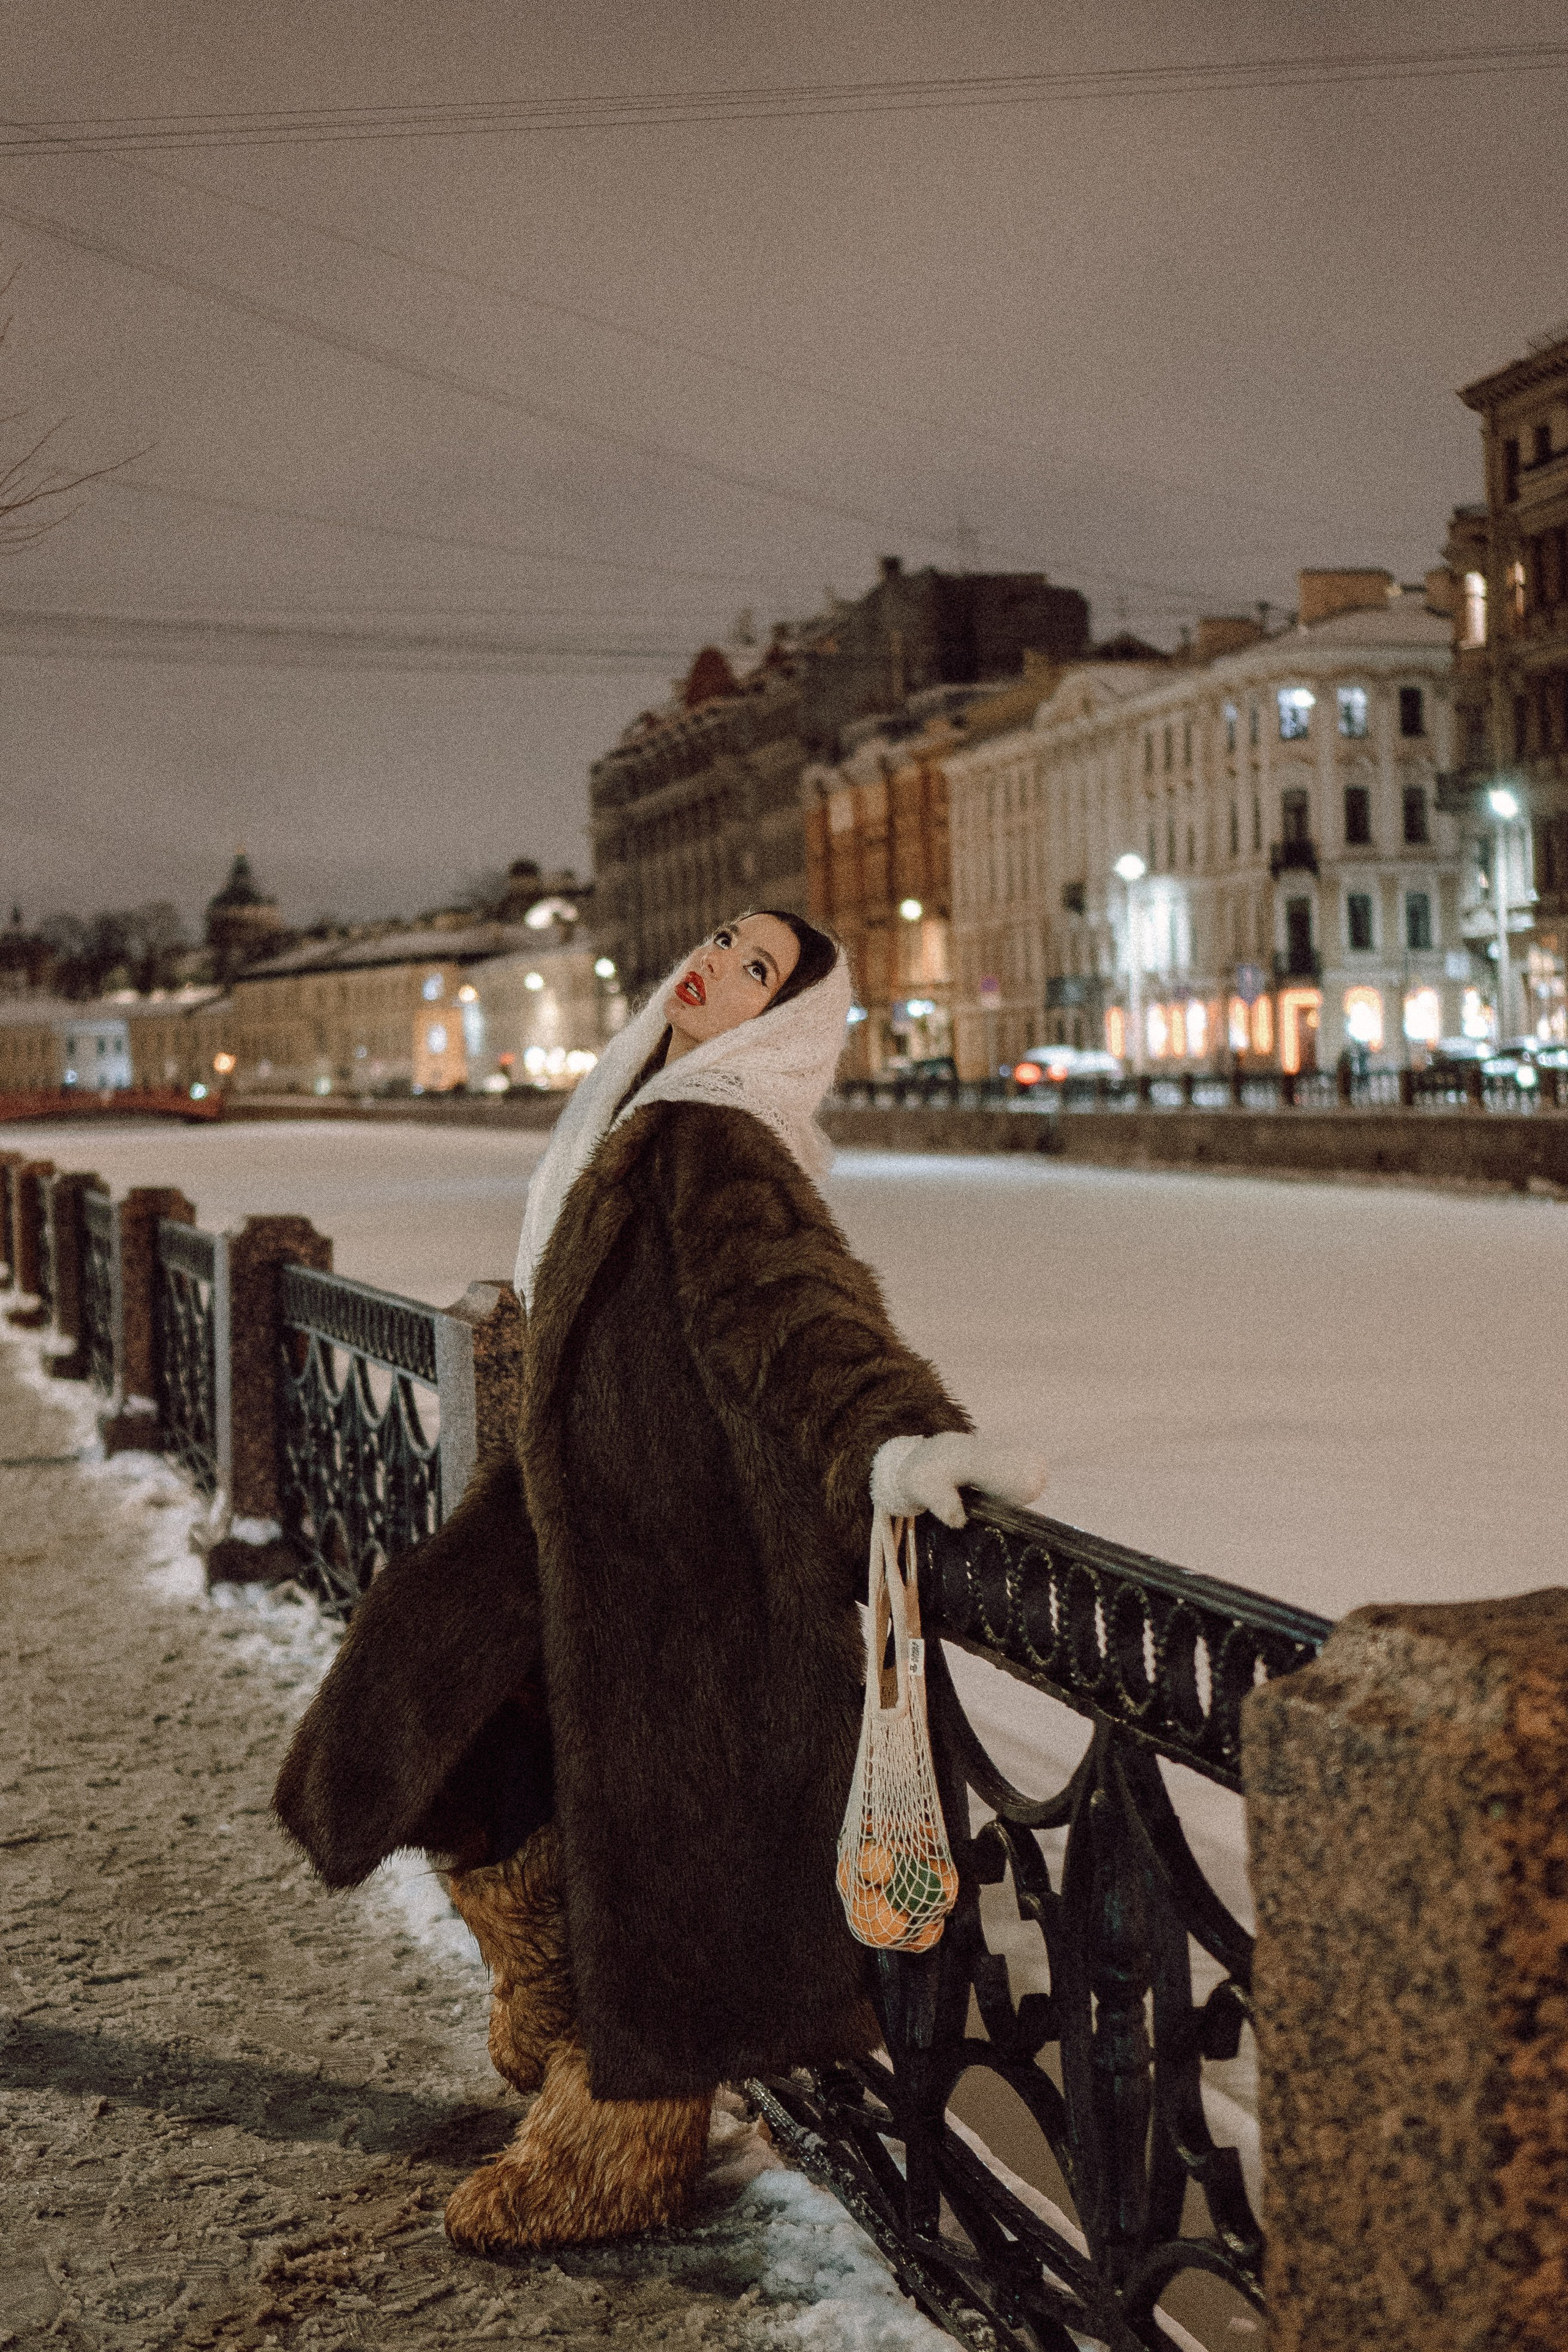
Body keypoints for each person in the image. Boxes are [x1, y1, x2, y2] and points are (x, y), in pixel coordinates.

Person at [274, 911, 1045, 2252]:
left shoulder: (713, 1137)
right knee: (429, 1696)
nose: (716, 965)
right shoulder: (645, 1109)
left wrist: (891, 1437)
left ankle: (613, 2151)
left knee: (660, 1856)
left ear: (784, 1020)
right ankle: (551, 1981)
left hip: (681, 1560)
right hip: (576, 1514)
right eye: (723, 943)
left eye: (758, 970)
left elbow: (793, 1310)